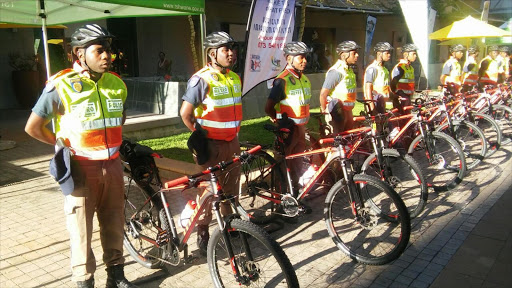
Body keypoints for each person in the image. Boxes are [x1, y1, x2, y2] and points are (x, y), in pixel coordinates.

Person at [24, 24, 136, 288]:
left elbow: (119, 118)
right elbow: (32, 127)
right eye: (99, 50)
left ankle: (116, 276)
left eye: (109, 50)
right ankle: (84, 281)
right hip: (81, 170)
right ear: (79, 53)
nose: (107, 55)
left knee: (114, 222)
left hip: (113, 165)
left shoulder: (117, 84)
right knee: (81, 230)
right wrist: (62, 145)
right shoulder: (61, 85)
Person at [179, 31, 241, 256]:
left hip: (232, 143)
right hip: (211, 146)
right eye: (226, 50)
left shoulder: (234, 77)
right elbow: (185, 113)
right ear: (212, 53)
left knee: (231, 188)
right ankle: (203, 230)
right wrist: (199, 135)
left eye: (232, 49)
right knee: (208, 191)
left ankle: (230, 225)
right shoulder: (201, 79)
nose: (231, 54)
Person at [265, 41, 311, 195]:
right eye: (300, 58)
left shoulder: (304, 79)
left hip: (300, 130)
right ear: (289, 58)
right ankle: (281, 197)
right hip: (287, 131)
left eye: (305, 57)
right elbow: (268, 107)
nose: (304, 61)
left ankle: (295, 193)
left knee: (297, 163)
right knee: (283, 164)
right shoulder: (282, 81)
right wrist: (279, 123)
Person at [320, 41, 360, 134]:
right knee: (336, 141)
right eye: (354, 53)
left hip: (348, 110)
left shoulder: (349, 70)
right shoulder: (336, 71)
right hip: (336, 112)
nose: (357, 55)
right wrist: (324, 111)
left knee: (347, 140)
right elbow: (323, 94)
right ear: (343, 55)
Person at [363, 42, 394, 114]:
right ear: (379, 54)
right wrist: (372, 107)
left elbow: (386, 87)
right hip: (375, 103)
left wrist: (394, 96)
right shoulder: (373, 68)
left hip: (382, 103)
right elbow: (368, 88)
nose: (389, 55)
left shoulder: (384, 69)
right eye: (387, 53)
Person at [391, 43, 418, 113]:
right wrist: (395, 96)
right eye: (413, 54)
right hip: (401, 97)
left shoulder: (410, 68)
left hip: (408, 97)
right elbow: (393, 83)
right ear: (406, 54)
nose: (415, 56)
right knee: (401, 119)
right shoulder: (400, 67)